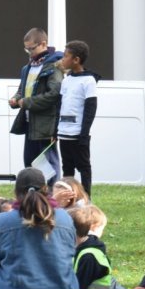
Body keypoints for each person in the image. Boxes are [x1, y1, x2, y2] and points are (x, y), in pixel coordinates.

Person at [9, 29, 64, 175]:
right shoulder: (27, 68)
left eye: (31, 48)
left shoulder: (54, 66)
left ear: (43, 44)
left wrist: (27, 102)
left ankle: (51, 195)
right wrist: (16, 98)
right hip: (29, 123)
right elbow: (23, 89)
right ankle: (32, 194)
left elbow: (54, 94)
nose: (29, 52)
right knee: (30, 163)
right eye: (26, 49)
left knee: (48, 166)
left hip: (46, 124)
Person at [57, 41, 98, 196]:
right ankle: (67, 197)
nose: (62, 59)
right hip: (64, 133)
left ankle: (86, 198)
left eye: (66, 56)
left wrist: (84, 133)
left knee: (84, 167)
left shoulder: (88, 80)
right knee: (67, 168)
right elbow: (60, 105)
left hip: (78, 134)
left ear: (76, 60)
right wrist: (56, 130)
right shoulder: (66, 80)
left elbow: (90, 108)